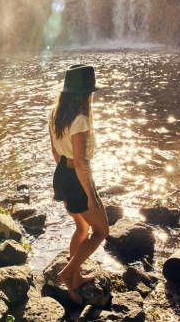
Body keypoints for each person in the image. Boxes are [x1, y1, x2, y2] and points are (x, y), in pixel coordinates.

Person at [49, 64, 109, 303]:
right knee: (102, 231)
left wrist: (63, 175)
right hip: (76, 179)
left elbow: (55, 151)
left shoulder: (55, 114)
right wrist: (92, 195)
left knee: (82, 227)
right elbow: (82, 163)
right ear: (85, 93)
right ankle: (68, 273)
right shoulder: (81, 120)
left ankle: (75, 278)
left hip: (61, 173)